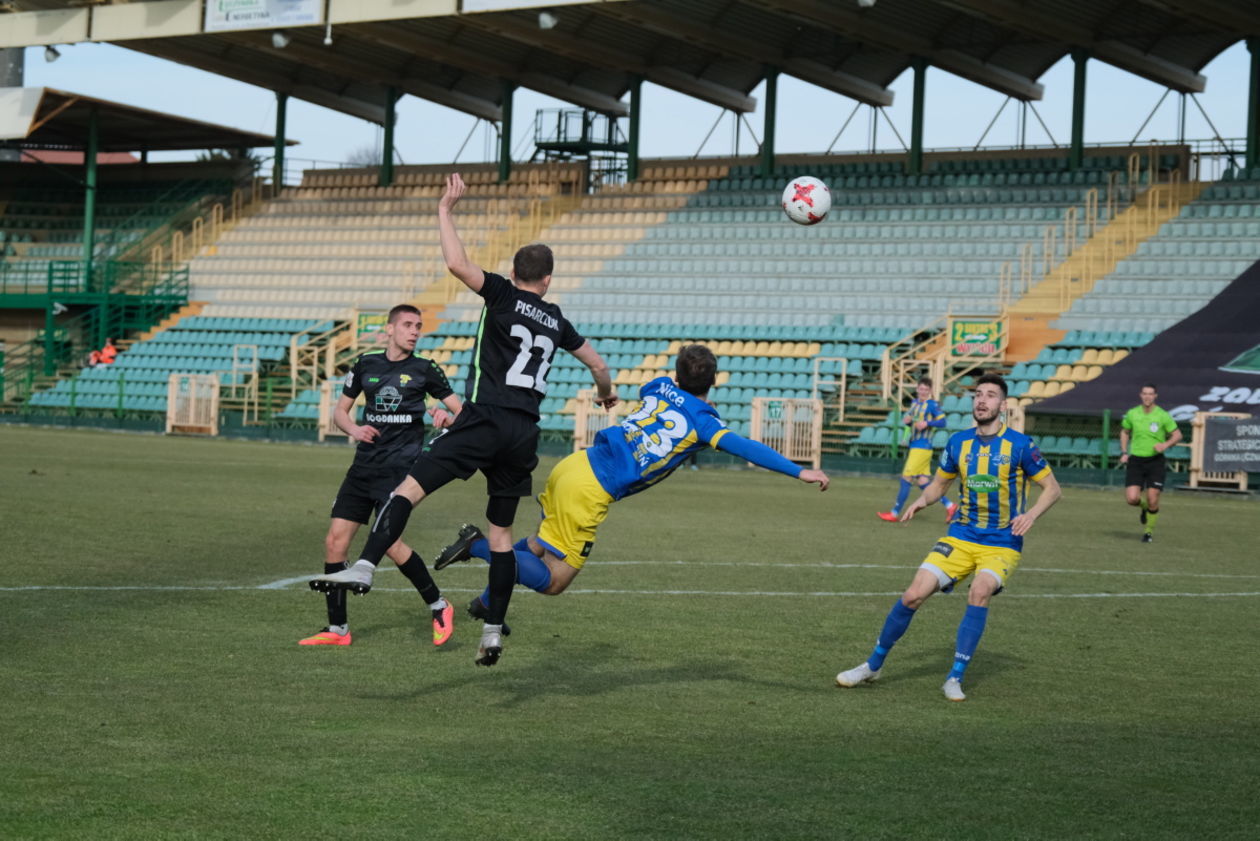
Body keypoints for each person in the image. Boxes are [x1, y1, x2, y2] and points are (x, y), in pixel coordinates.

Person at [310, 172, 617, 667]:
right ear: (548, 280)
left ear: (515, 273)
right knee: (500, 537)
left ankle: (365, 565)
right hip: (524, 433)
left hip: (484, 419)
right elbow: (598, 365)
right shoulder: (557, 318)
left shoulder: (500, 293)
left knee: (404, 492)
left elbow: (456, 263)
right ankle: (492, 632)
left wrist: (445, 210)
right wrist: (606, 396)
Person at [430, 344, 830, 627]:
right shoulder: (705, 422)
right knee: (553, 581)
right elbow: (746, 446)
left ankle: (487, 602)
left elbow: (656, 390)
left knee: (538, 543)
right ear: (715, 380)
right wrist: (800, 471)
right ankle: (477, 545)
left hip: (575, 464)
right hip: (591, 490)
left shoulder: (656, 386)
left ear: (676, 373)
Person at [836, 372, 1061, 702]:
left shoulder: (1021, 446)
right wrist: (921, 501)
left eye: (990, 395)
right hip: (960, 537)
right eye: (978, 394)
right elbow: (940, 485)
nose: (982, 400)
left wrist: (1030, 515)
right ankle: (872, 665)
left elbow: (1053, 489)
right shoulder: (959, 443)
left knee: (980, 590)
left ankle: (954, 678)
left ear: (1003, 404)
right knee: (913, 594)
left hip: (1001, 543)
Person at [302, 304, 464, 647]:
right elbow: (340, 412)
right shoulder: (365, 364)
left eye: (418, 325)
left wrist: (446, 419)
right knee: (334, 542)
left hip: (401, 470)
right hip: (363, 466)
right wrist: (354, 430)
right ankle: (338, 629)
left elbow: (462, 413)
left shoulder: (426, 369)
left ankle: (439, 605)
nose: (415, 331)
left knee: (389, 545)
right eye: (407, 324)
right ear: (389, 329)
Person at [877, 376, 957, 523]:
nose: (923, 392)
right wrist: (906, 427)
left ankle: (894, 513)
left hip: (923, 447)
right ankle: (950, 506)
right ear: (917, 389)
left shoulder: (932, 405)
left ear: (930, 391)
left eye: (926, 389)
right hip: (916, 446)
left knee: (906, 478)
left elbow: (943, 421)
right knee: (923, 482)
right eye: (921, 389)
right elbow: (909, 421)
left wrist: (927, 423)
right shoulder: (914, 404)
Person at [1119, 383, 1182, 543]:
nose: (1147, 396)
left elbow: (1177, 435)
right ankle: (1144, 508)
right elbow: (1125, 432)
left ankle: (1148, 532)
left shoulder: (1162, 415)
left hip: (1155, 461)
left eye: (1151, 394)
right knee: (1132, 499)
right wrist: (1124, 452)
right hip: (1136, 460)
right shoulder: (1132, 413)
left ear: (1155, 396)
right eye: (1145, 393)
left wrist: (1165, 445)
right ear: (1141, 395)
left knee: (1153, 498)